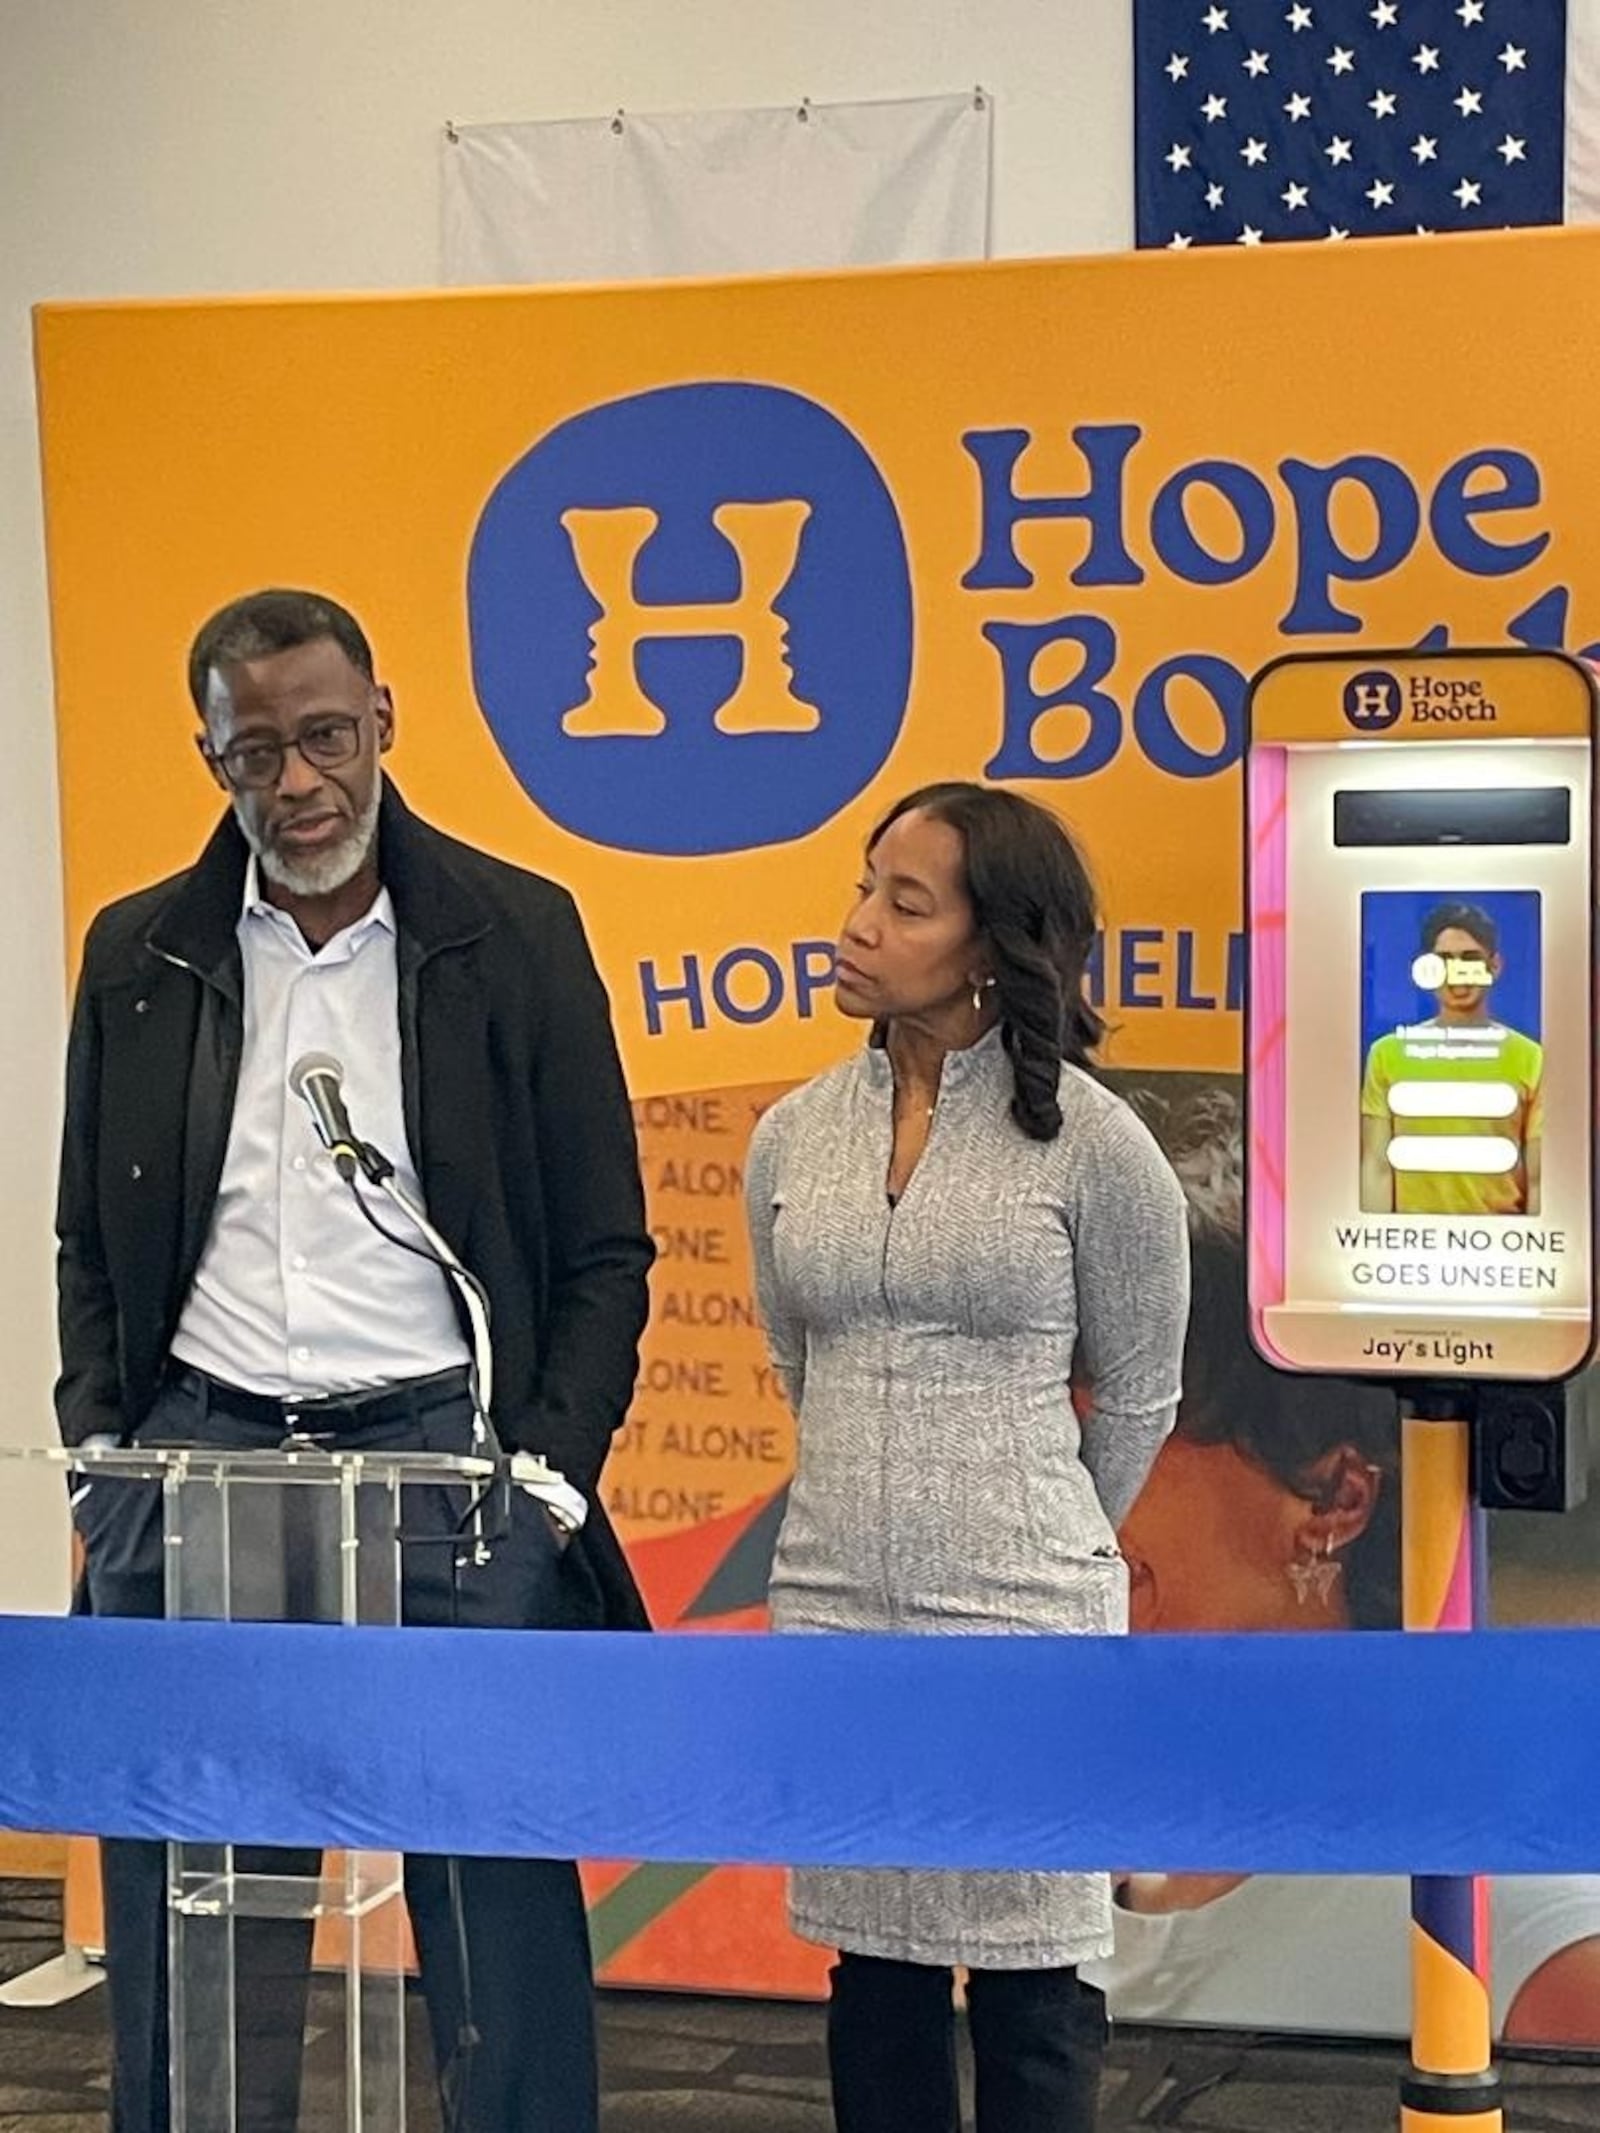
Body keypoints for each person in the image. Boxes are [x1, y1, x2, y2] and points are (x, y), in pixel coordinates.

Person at [55, 588, 653, 2132]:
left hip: (447, 1484)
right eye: (256, 751)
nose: (299, 780)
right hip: (205, 1474)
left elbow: (603, 1252)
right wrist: (111, 1459)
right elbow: (86, 1244)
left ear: (385, 718)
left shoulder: (512, 931)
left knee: (493, 1928)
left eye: (325, 735)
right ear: (213, 759)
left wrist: (547, 1486)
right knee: (204, 1930)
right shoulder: (141, 951)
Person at [745, 780, 1190, 2133]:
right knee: (871, 1969)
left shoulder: (1099, 1150)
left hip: (1027, 1622)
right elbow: (794, 1359)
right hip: (835, 1611)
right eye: (864, 885)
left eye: (905, 900)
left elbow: (1141, 1392)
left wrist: (1034, 1535)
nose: (859, 922)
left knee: (1029, 1979)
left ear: (993, 944)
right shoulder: (794, 1133)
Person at [1083, 1081, 1600, 2043]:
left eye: (1110, 1434)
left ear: (1334, 1498)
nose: (1051, 1491)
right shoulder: (1023, 1882)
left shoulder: (1514, 1934)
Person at [1360, 900, 1543, 1215]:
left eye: (1470, 959)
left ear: (1494, 966)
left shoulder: (1531, 1058)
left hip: (1505, 1249)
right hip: (1407, 1249)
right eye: (1444, 961)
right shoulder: (1386, 1055)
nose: (1457, 974)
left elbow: (1540, 1180)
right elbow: (1376, 1167)